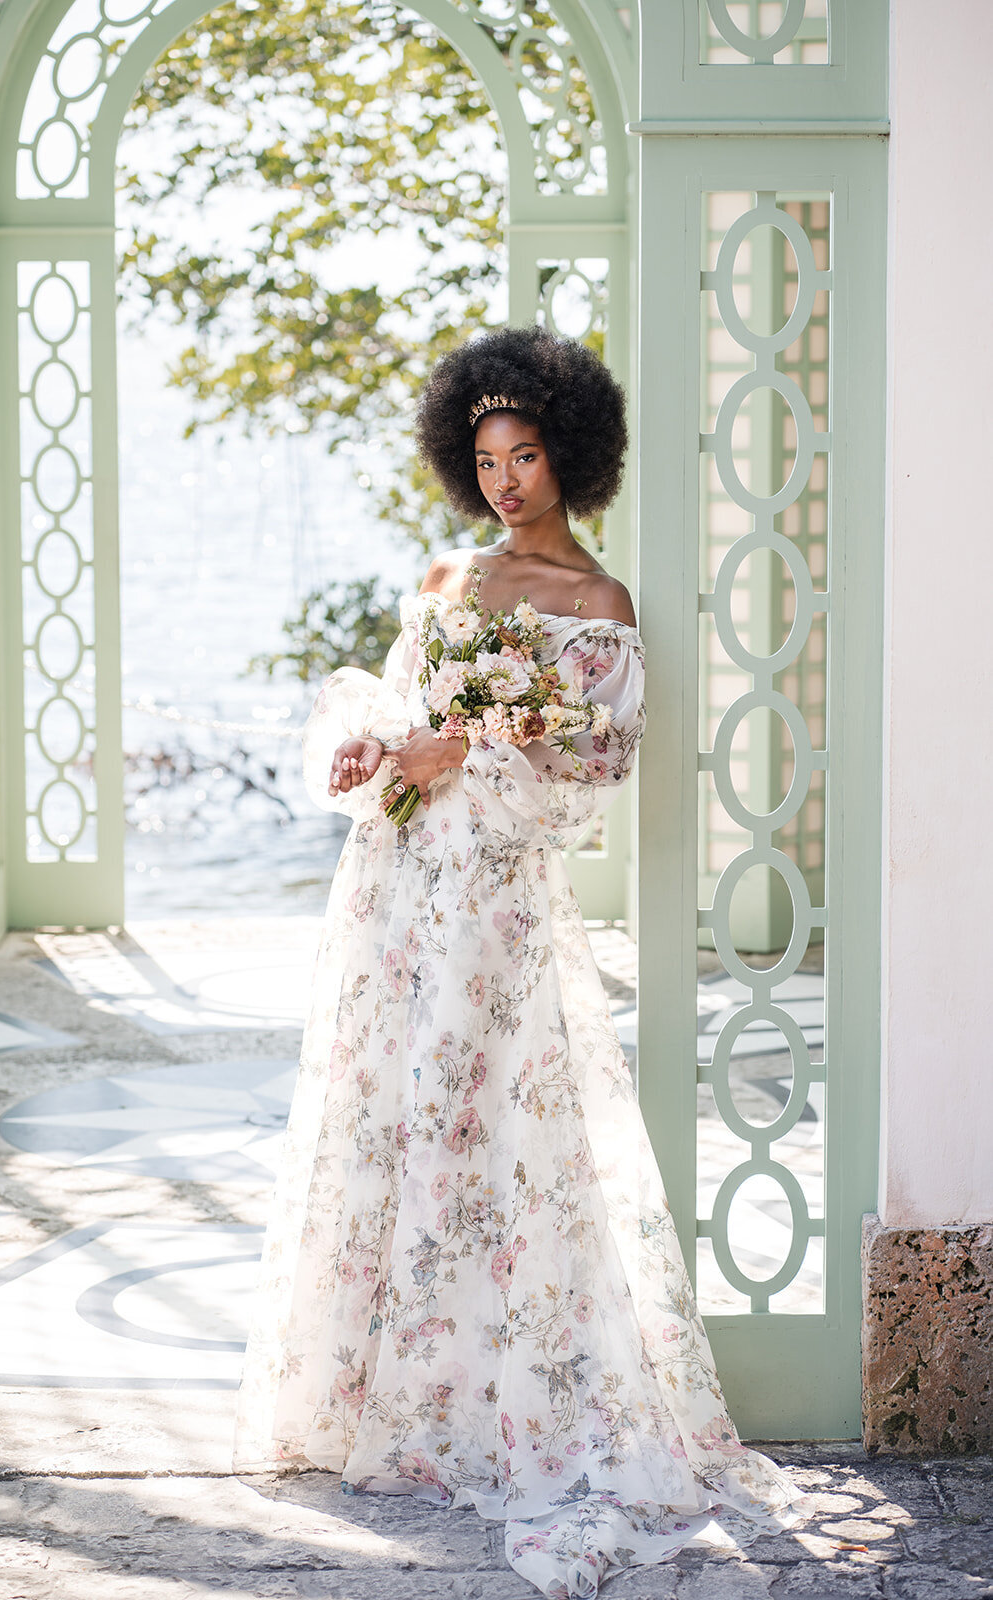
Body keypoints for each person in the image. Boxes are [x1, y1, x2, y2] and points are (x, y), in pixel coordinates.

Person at [233, 326, 808, 1598]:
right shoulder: (447, 572)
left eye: (526, 453)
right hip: (392, 893)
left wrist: (464, 755)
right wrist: (369, 747)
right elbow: (392, 708)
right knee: (388, 1115)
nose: (503, 480)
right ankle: (390, 1394)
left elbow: (587, 780)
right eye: (484, 457)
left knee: (489, 1128)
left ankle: (508, 1394)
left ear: (571, 455)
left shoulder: (598, 610)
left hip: (494, 905)